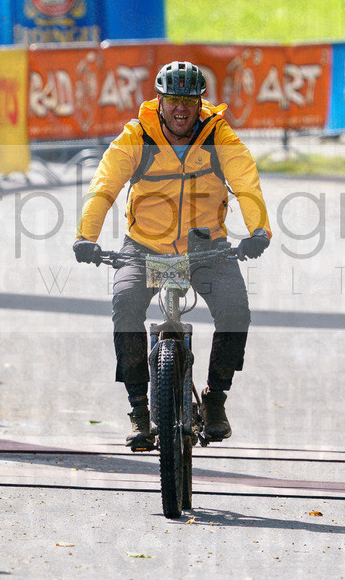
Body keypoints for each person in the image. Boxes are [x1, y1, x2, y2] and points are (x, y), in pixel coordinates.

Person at [74, 61, 272, 452]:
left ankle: (215, 400)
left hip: (207, 248)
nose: (181, 109)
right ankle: (138, 410)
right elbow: (105, 186)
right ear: (159, 102)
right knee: (125, 303)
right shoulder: (137, 137)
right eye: (173, 100)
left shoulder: (219, 136)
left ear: (201, 104)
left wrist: (258, 231)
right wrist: (86, 236)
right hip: (145, 246)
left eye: (189, 101)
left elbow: (246, 183)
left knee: (235, 310)